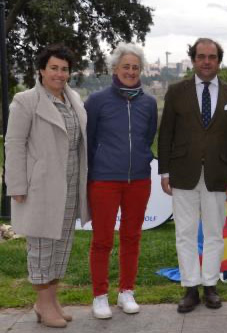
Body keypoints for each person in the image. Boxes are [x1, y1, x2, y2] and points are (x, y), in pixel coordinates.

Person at [5, 44, 89, 328]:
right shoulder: (26, 100)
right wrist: (16, 185)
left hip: (69, 187)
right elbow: (14, 144)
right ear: (41, 70)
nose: (59, 74)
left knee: (61, 245)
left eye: (64, 69)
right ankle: (42, 303)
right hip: (40, 188)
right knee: (41, 246)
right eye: (53, 68)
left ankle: (52, 300)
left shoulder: (74, 98)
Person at [157, 38, 227, 313]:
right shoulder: (176, 91)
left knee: (215, 232)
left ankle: (210, 286)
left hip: (219, 174)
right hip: (183, 172)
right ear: (193, 59)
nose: (207, 61)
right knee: (185, 233)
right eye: (201, 56)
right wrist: (165, 171)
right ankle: (190, 288)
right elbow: (166, 133)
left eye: (212, 57)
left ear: (219, 61)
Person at [85, 43, 157, 319]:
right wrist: (97, 168)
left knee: (131, 237)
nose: (130, 71)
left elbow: (147, 137)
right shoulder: (97, 100)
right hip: (104, 179)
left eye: (135, 67)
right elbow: (89, 141)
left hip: (138, 178)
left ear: (141, 71)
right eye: (125, 66)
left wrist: (138, 158)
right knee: (102, 239)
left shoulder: (149, 103)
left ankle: (127, 291)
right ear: (115, 68)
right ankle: (99, 295)